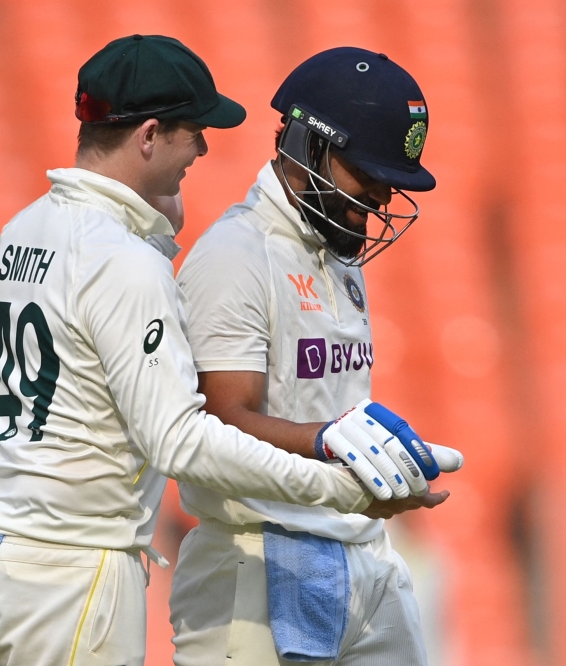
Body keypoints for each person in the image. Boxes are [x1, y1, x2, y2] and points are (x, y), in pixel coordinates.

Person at [0, 35, 426, 666]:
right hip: (75, 562)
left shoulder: (20, 232)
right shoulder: (127, 260)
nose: (204, 148)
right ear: (150, 135)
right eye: (195, 131)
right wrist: (340, 484)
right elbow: (180, 442)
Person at [171, 48, 456, 665]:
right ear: (307, 144)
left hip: (363, 553)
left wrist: (369, 451)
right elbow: (221, 421)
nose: (379, 198)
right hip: (257, 559)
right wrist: (328, 441)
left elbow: (325, 397)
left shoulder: (339, 254)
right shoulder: (236, 255)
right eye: (367, 174)